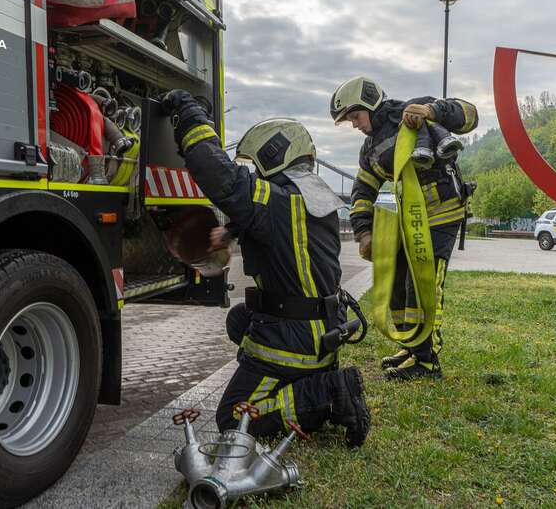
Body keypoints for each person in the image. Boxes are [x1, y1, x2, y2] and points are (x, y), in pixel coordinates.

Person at [160, 90, 371, 447]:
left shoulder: (277, 200)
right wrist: (232, 230)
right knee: (239, 320)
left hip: (296, 337)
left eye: (258, 165)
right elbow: (284, 232)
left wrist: (190, 112)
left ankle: (332, 394)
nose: (255, 173)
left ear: (274, 153)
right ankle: (306, 381)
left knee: (233, 417)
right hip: (321, 329)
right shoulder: (308, 197)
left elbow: (217, 174)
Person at [330, 76, 478, 380]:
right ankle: (411, 346)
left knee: (422, 286)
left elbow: (470, 115)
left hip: (442, 215)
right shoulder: (370, 149)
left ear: (371, 104)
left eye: (355, 116)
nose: (354, 124)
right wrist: (364, 233)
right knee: (398, 282)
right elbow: (362, 190)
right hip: (411, 221)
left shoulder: (415, 109)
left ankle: (426, 361)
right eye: (349, 121)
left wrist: (433, 111)